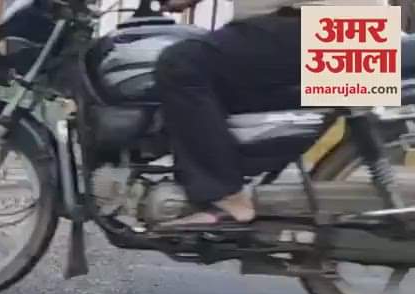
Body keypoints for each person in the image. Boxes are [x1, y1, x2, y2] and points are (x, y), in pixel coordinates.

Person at [153, 0, 385, 228]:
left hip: (330, 29)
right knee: (213, 72)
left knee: (181, 63)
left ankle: (225, 196)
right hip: (346, 29)